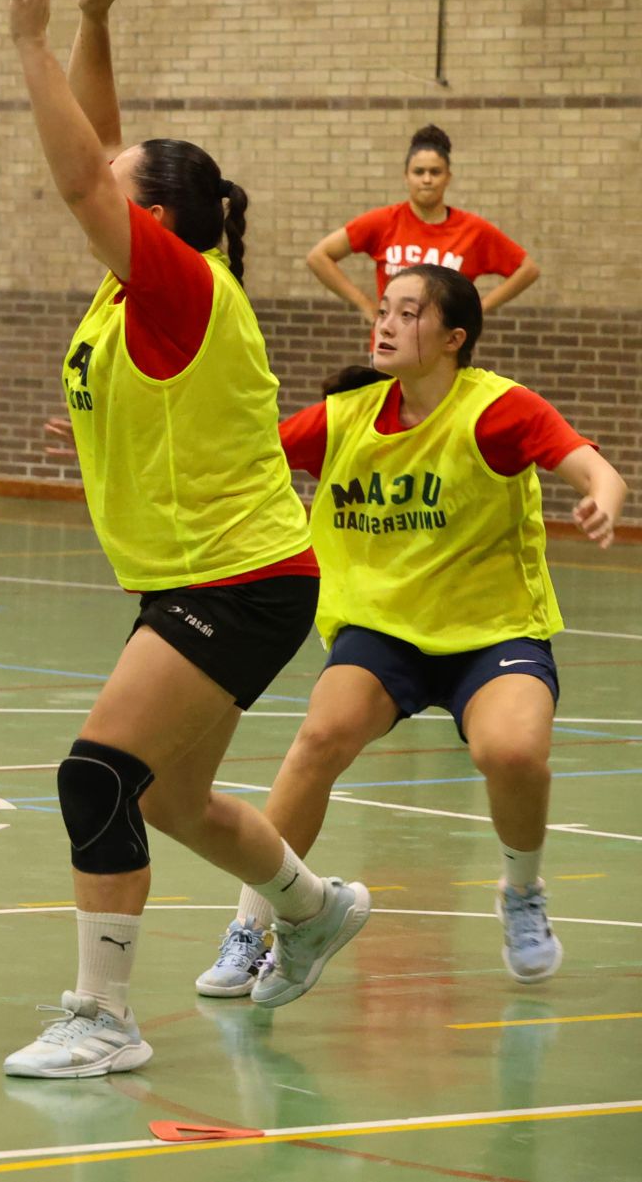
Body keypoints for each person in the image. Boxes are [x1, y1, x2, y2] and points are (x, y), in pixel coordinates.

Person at [9, 0, 369, 1079]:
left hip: (240, 577)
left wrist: (27, 43)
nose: (97, 202)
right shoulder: (147, 286)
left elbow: (83, 173)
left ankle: (103, 1018)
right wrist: (96, 30)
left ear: (157, 223)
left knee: (97, 776)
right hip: (212, 571)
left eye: (122, 201)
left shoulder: (176, 284)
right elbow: (109, 156)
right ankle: (310, 908)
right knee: (170, 797)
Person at [195, 265, 625, 997]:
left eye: (408, 312)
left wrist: (604, 501)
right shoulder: (346, 418)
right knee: (319, 739)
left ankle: (521, 893)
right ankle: (252, 924)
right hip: (382, 629)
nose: (385, 324)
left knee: (514, 752)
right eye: (384, 310)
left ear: (455, 337)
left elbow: (594, 468)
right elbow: (237, 460)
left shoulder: (496, 411)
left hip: (490, 631)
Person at [308, 124, 539, 329]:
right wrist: (364, 304)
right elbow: (319, 256)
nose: (427, 179)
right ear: (406, 177)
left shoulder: (473, 230)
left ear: (448, 177)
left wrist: (480, 307)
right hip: (391, 349)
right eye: (419, 172)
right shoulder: (383, 221)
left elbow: (527, 269)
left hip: (445, 356)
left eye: (435, 172)